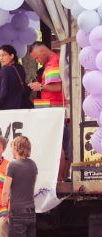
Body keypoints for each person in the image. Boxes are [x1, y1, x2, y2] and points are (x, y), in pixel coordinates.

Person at [2, 136, 38, 237]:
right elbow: (32, 186)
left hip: (17, 212)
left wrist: (4, 204)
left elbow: (5, 190)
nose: (11, 150)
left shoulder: (13, 166)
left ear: (17, 148)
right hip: (31, 210)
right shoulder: (33, 165)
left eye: (12, 147)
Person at [28, 41, 69, 180]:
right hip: (56, 108)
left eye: (36, 57)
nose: (37, 61)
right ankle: (60, 177)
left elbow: (58, 87)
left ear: (43, 51)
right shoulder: (53, 61)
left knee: (57, 144)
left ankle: (59, 178)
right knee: (59, 144)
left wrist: (40, 87)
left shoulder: (53, 63)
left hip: (55, 108)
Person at [0, 45, 28, 110]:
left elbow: (4, 92)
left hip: (9, 108)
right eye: (0, 56)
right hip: (23, 105)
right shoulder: (20, 67)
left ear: (11, 56)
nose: (1, 58)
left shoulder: (5, 70)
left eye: (3, 55)